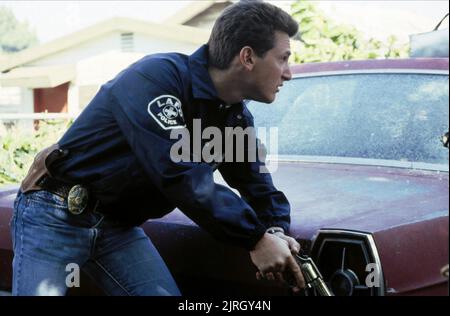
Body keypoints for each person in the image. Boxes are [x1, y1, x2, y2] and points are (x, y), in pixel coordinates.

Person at [10, 1, 305, 296]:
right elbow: (179, 173)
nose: (288, 73)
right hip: (54, 214)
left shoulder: (234, 118)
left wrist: (274, 231)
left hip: (117, 227)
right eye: (283, 59)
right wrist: (254, 238)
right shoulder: (156, 78)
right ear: (248, 57)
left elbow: (257, 183)